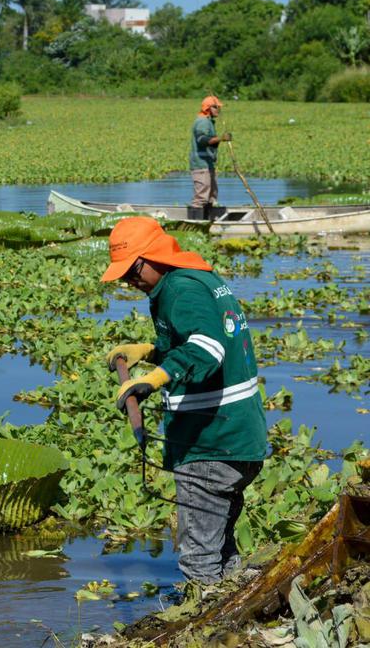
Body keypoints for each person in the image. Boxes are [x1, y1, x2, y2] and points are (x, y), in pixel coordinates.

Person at [102, 217, 267, 584]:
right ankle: (238, 608)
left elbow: (206, 350)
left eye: (132, 272)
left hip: (209, 443)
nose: (129, 282)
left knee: (199, 560)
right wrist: (151, 352)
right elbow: (198, 339)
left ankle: (208, 629)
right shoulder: (199, 278)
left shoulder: (181, 290)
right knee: (222, 549)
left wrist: (152, 381)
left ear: (151, 257)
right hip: (241, 440)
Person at [190, 96, 233, 219]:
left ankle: (208, 223)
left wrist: (220, 140)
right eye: (216, 107)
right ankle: (196, 227)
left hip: (208, 164)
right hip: (201, 164)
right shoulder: (202, 122)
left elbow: (211, 143)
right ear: (208, 108)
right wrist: (221, 138)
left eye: (218, 107)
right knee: (201, 197)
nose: (218, 109)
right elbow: (202, 140)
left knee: (211, 196)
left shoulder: (209, 122)